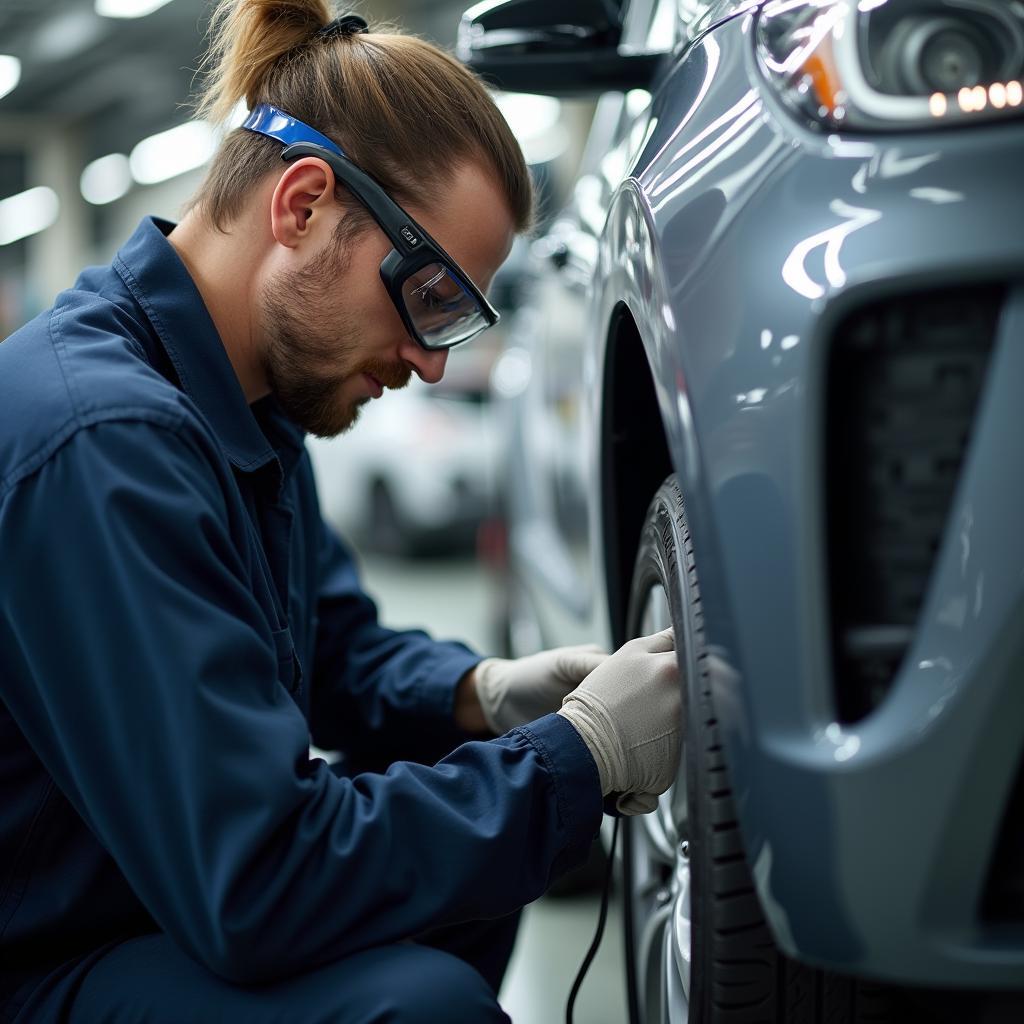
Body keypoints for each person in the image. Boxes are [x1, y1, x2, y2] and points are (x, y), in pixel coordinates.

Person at [0, 3, 682, 1021]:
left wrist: (489, 694)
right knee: (419, 1005)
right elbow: (260, 877)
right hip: (43, 953)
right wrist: (580, 755)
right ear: (304, 206)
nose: (434, 358)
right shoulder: (105, 442)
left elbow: (335, 651)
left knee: (463, 831)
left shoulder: (243, 400)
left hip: (139, 893)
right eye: (430, 296)